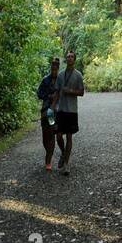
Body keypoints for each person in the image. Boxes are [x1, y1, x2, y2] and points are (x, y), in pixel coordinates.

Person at [53, 48, 84, 176]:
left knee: (69, 136)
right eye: (68, 56)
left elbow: (81, 92)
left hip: (72, 110)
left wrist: (70, 91)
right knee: (58, 136)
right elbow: (56, 92)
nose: (70, 58)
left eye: (72, 56)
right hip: (61, 109)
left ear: (74, 59)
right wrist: (52, 106)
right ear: (66, 59)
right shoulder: (60, 75)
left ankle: (66, 164)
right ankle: (64, 152)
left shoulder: (78, 75)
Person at [37, 55, 60, 171]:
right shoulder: (45, 79)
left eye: (56, 64)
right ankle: (49, 154)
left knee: (51, 135)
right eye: (53, 64)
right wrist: (48, 96)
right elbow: (39, 93)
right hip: (45, 111)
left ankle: (48, 160)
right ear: (51, 66)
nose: (54, 66)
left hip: (55, 111)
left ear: (58, 66)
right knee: (45, 137)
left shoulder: (61, 79)